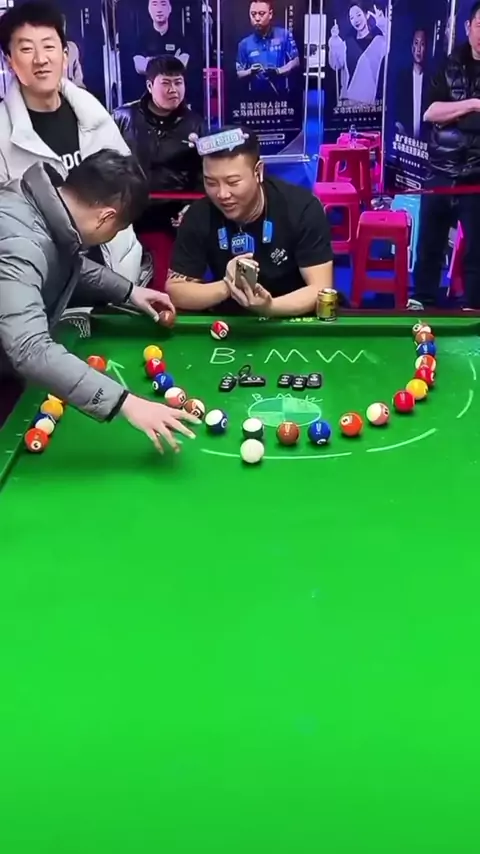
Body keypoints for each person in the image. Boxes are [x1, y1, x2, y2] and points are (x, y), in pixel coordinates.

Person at [0, 150, 198, 452]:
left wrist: (129, 292)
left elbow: (59, 262)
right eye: (117, 229)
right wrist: (126, 402)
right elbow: (30, 348)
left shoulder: (36, 204)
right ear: (106, 217)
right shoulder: (22, 244)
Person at [0, 0, 144, 287]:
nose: (41, 59)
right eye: (26, 49)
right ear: (8, 61)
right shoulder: (4, 133)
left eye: (49, 46)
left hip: (119, 275)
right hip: (48, 287)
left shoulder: (93, 112)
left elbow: (129, 185)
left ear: (65, 55)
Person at [166, 129, 333, 316]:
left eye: (233, 182)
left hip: (291, 316)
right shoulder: (199, 215)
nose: (222, 194)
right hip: (231, 320)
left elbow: (320, 289)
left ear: (258, 171)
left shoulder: (302, 208)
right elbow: (176, 291)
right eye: (211, 183)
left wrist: (269, 307)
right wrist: (228, 285)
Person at [409, 0, 480, 311]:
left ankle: (474, 307)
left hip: (476, 176)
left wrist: (454, 113)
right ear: (468, 27)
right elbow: (431, 113)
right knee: (429, 245)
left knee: (477, 251)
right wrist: (473, 105)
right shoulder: (448, 64)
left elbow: (445, 114)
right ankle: (421, 299)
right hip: (440, 169)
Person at [114, 55, 205, 231]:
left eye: (178, 83)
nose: (173, 90)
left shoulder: (196, 125)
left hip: (175, 216)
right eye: (166, 83)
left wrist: (191, 207)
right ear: (150, 86)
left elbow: (203, 173)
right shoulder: (123, 117)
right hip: (128, 216)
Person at [328, 2, 387, 105]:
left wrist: (382, 23)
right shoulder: (346, 43)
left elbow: (392, 44)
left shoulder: (379, 42)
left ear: (367, 15)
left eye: (359, 15)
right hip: (348, 104)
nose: (356, 20)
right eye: (352, 18)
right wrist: (334, 41)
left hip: (370, 105)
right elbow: (335, 64)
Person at [236, 0, 300, 95]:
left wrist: (278, 71)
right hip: (255, 97)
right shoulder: (244, 44)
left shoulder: (284, 35)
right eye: (253, 14)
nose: (257, 18)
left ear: (270, 14)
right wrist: (250, 71)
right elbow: (239, 73)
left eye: (261, 14)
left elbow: (296, 61)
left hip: (281, 96)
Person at [133, 0, 189, 77]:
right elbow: (139, 66)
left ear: (170, 8)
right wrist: (171, 62)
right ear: (149, 9)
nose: (159, 10)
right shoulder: (142, 38)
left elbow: (182, 64)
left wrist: (151, 61)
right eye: (154, 4)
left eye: (163, 4)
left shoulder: (179, 38)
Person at [396, 29, 428, 139]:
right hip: (404, 142)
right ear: (411, 47)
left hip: (425, 144)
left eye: (422, 44)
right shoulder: (402, 79)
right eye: (416, 43)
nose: (418, 49)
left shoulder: (431, 80)